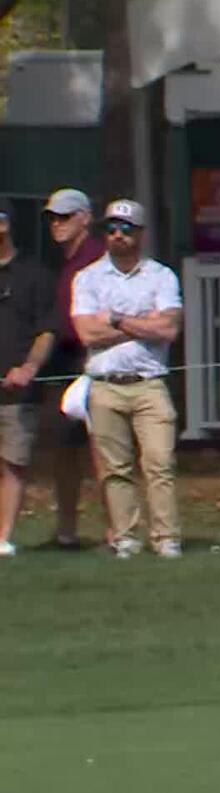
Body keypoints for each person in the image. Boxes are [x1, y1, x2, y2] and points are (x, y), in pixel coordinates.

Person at [69, 200, 182, 559]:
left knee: (159, 462)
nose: (118, 235)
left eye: (126, 229)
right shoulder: (87, 278)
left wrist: (116, 320)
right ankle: (126, 538)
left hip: (149, 382)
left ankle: (166, 538)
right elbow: (87, 334)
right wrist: (139, 325)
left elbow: (168, 328)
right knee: (114, 469)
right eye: (112, 229)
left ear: (141, 234)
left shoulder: (162, 276)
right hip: (104, 384)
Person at [40, 187, 106, 549]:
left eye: (64, 216)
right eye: (52, 217)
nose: (57, 224)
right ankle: (66, 530)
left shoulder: (98, 258)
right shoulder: (64, 264)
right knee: (64, 448)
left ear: (85, 217)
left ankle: (118, 528)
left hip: (94, 360)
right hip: (65, 362)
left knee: (102, 448)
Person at [0, 198, 57, 556]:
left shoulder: (34, 274)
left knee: (12, 463)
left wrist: (29, 369)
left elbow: (46, 330)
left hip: (16, 392)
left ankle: (3, 536)